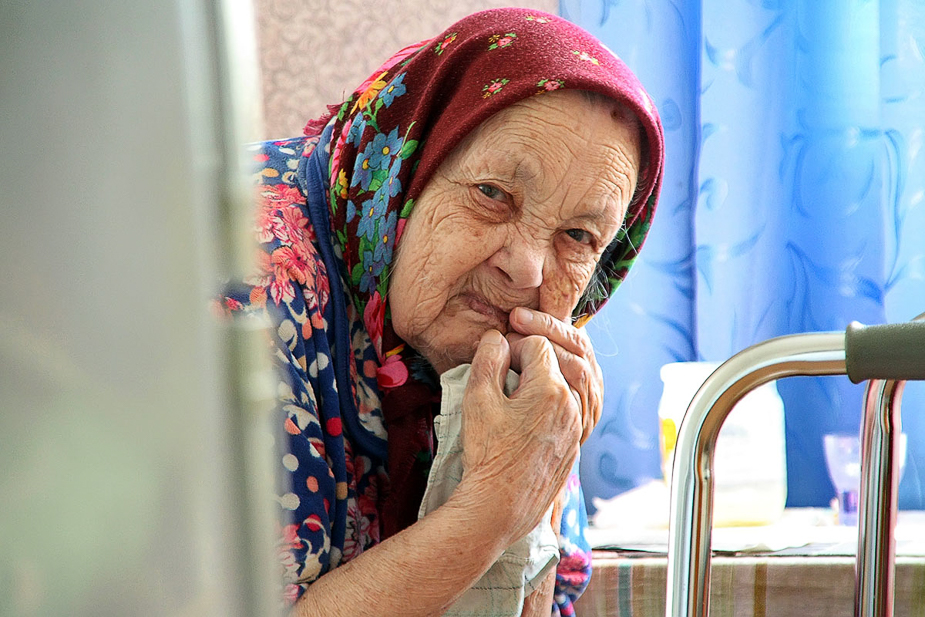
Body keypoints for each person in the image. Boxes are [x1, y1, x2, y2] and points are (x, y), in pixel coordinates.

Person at [220, 7, 663, 616]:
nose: (528, 270)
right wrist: (493, 509)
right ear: (404, 172)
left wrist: (533, 488)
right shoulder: (245, 282)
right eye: (493, 195)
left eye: (579, 236)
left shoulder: (532, 371)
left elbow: (545, 600)